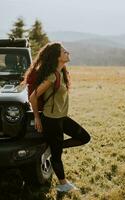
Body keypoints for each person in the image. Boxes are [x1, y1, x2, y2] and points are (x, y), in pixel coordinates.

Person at [24, 42, 91, 192]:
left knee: (85, 137)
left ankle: (52, 148)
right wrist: (37, 118)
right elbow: (33, 98)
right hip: (51, 120)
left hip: (61, 117)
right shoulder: (52, 76)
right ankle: (63, 185)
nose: (68, 53)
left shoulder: (61, 73)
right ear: (57, 57)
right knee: (57, 156)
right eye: (64, 52)